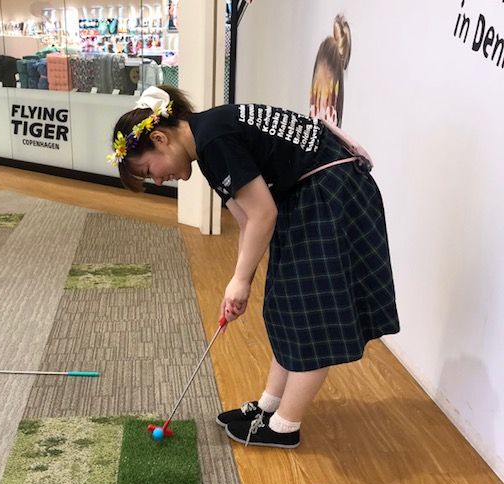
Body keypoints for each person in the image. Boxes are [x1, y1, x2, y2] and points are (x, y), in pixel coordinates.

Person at [107, 85, 399, 448]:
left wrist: (241, 280)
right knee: (283, 307)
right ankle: (269, 407)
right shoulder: (207, 146)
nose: (159, 179)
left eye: (149, 170)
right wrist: (237, 283)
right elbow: (248, 221)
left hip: (331, 195)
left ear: (160, 139)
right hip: (309, 195)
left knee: (311, 317)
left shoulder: (213, 140)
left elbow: (263, 214)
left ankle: (285, 426)